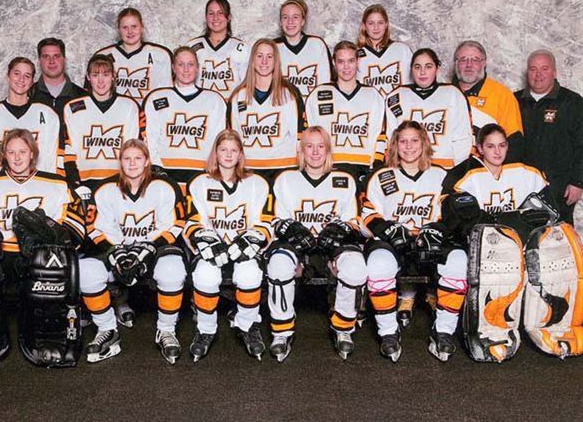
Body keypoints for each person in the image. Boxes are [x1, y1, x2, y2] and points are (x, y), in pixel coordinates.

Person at [0, 128, 85, 369]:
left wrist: (49, 235)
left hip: (35, 257)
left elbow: (76, 228)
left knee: (49, 262)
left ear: (32, 153)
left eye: (22, 151)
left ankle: (50, 339)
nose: (17, 157)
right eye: (11, 152)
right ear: (4, 155)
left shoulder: (57, 185)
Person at [441, 123, 567, 362]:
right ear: (479, 148)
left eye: (502, 145)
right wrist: (511, 220)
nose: (497, 152)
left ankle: (552, 326)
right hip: (483, 246)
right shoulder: (463, 173)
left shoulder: (525, 172)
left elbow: (549, 211)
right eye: (490, 146)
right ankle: (488, 333)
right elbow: (462, 217)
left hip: (521, 243)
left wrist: (522, 222)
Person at [361, 120, 468, 362]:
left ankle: (443, 331)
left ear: (424, 143)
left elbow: (453, 215)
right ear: (395, 145)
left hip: (429, 240)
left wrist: (438, 229)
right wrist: (387, 228)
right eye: (403, 141)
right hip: (394, 242)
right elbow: (367, 215)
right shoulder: (382, 176)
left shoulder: (441, 175)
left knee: (458, 260)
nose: (409, 146)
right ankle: (388, 332)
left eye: (414, 140)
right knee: (378, 263)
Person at [80, 139, 187, 364]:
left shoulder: (165, 186)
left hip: (153, 248)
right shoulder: (104, 189)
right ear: (120, 161)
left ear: (147, 161)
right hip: (119, 249)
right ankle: (107, 330)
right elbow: (96, 227)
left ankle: (166, 330)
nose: (132, 163)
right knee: (86, 271)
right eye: (127, 158)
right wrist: (115, 251)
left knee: (173, 270)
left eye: (138, 158)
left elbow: (175, 224)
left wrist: (146, 248)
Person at [267, 126, 365, 361]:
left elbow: (353, 221)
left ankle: (343, 327)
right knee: (278, 265)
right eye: (309, 146)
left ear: (328, 150)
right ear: (301, 151)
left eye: (320, 146)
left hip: (331, 246)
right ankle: (282, 331)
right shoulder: (285, 179)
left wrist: (341, 229)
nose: (315, 152)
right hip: (298, 246)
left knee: (356, 267)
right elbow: (275, 221)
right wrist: (291, 228)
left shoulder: (345, 180)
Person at [184, 130, 272, 361]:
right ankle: (205, 329)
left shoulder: (257, 183)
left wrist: (251, 239)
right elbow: (192, 221)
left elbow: (265, 221)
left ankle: (247, 325)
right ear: (215, 152)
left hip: (244, 249)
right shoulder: (199, 183)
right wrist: (205, 239)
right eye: (223, 149)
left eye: (234, 150)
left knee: (250, 275)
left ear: (241, 154)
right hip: (212, 250)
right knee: (205, 276)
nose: (228, 155)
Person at [142, 46, 227, 190]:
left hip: (202, 176)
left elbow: (218, 141)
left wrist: (211, 170)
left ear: (198, 68)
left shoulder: (214, 100)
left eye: (191, 64)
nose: (186, 69)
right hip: (165, 175)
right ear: (173, 68)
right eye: (181, 64)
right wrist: (158, 170)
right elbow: (151, 138)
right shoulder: (156, 98)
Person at [515, 49, 583, 225]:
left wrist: (578, 182)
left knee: (559, 237)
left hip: (559, 187)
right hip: (521, 186)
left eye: (544, 68)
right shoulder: (514, 101)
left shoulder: (572, 102)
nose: (538, 74)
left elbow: (581, 145)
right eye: (533, 69)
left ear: (554, 72)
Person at [0, 57, 65, 181]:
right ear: (8, 76)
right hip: (1, 187)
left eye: (27, 76)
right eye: (17, 73)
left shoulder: (48, 115)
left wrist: (52, 186)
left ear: (32, 81)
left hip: (38, 187)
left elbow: (55, 161)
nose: (21, 79)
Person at [228, 38, 306, 184]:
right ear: (252, 60)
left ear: (276, 61)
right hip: (248, 169)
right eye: (259, 56)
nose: (264, 61)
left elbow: (299, 137)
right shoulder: (238, 96)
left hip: (283, 168)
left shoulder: (290, 93)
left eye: (269, 56)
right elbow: (233, 139)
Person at [306, 40, 385, 184]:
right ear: (334, 63)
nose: (346, 67)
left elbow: (380, 134)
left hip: (363, 168)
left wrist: (376, 165)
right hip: (329, 168)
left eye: (351, 61)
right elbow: (309, 136)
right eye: (341, 61)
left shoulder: (373, 95)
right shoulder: (318, 95)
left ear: (358, 62)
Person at [385, 48, 473, 170]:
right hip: (408, 169)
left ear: (437, 69)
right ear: (411, 70)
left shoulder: (453, 94)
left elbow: (462, 138)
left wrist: (456, 171)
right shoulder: (396, 96)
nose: (422, 72)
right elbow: (391, 138)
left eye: (428, 66)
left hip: (445, 168)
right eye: (417, 67)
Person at [63, 54, 140, 189]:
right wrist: (75, 181)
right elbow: (69, 150)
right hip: (85, 183)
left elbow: (134, 148)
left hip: (120, 183)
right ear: (88, 77)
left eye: (105, 74)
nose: (100, 81)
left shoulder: (129, 106)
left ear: (113, 76)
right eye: (95, 75)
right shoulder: (72, 108)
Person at [452, 40, 524, 162]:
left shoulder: (502, 95)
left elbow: (515, 143)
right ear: (456, 63)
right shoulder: (444, 93)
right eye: (463, 59)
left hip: (484, 170)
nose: (469, 65)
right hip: (448, 167)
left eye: (475, 60)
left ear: (484, 63)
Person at [92, 7, 173, 104]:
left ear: (142, 27)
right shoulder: (103, 56)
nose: (130, 31)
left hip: (147, 112)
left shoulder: (160, 55)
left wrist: (149, 111)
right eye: (125, 27)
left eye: (134, 26)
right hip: (115, 112)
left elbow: (166, 94)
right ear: (119, 29)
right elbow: (92, 95)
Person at [188, 0, 250, 100]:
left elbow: (246, 85)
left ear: (229, 17)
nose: (215, 18)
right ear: (206, 17)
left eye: (220, 13)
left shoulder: (241, 47)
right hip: (199, 106)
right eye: (211, 13)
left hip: (230, 106)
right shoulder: (192, 46)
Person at [274, 0, 333, 102]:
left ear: (303, 21)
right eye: (285, 17)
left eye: (295, 17)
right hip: (284, 109)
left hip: (312, 109)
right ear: (280, 22)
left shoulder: (317, 45)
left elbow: (326, 85)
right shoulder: (273, 47)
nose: (290, 21)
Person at [356, 4, 412, 98]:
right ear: (364, 26)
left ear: (386, 25)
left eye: (380, 23)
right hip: (370, 107)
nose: (376, 27)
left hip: (401, 106)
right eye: (371, 23)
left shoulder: (402, 50)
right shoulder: (355, 55)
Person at [29, 37, 87, 119]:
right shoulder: (28, 96)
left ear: (64, 60)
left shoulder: (82, 96)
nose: (51, 61)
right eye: (46, 57)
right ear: (39, 61)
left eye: (56, 56)